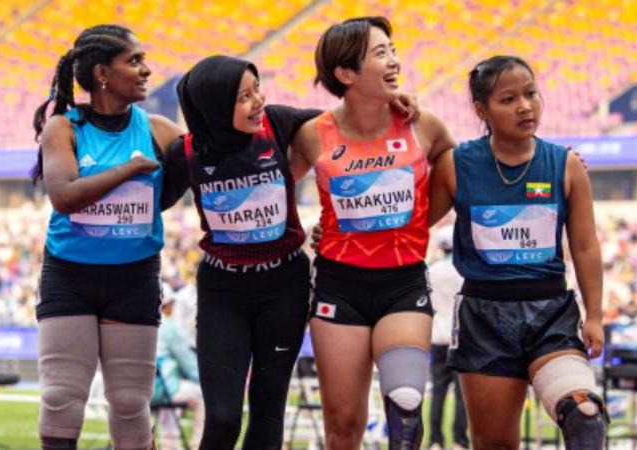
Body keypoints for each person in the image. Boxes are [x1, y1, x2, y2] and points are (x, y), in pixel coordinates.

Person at [164, 54, 418, 450]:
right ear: (212, 106)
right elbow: (155, 200)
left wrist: (389, 103)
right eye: (243, 97)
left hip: (283, 286)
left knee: (268, 410)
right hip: (222, 292)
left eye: (257, 89)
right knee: (223, 419)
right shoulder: (188, 152)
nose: (258, 101)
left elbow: (347, 123)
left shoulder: (279, 123)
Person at [290, 17, 457, 449]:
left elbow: (462, 175)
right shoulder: (312, 134)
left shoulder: (425, 125)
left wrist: (416, 222)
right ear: (346, 74)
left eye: (393, 50)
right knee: (343, 427)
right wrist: (303, 230)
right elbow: (273, 183)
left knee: (404, 409)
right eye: (380, 53)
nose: (395, 61)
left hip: (403, 281)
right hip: (337, 286)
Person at [427, 55, 607, 450]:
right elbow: (413, 225)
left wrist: (594, 315)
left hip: (551, 314)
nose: (525, 106)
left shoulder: (566, 165)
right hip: (484, 317)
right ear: (481, 110)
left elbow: (585, 245)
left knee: (586, 419)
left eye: (531, 94)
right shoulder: (455, 165)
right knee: (494, 444)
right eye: (508, 99)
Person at [31, 24, 183, 450]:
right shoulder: (63, 128)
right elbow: (63, 196)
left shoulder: (159, 129)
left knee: (132, 403)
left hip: (133, 277)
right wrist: (130, 169)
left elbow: (174, 188)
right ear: (102, 73)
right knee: (61, 397)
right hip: (69, 276)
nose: (146, 70)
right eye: (134, 61)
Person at [427, 225, 469, 450]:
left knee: (438, 391)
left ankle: (435, 440)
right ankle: (459, 440)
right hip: (461, 338)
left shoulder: (432, 271)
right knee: (462, 394)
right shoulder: (464, 271)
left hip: (438, 337)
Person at [153, 284, 204, 450]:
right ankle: (199, 446)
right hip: (162, 389)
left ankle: (170, 444)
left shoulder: (138, 324)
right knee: (203, 396)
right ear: (166, 305)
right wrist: (204, 381)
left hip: (138, 390)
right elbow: (189, 365)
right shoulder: (168, 327)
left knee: (170, 394)